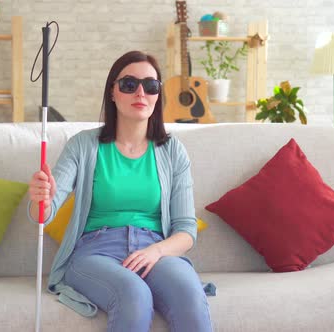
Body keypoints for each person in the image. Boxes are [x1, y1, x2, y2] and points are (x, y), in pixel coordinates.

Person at [27, 50, 214, 332]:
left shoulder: (173, 151)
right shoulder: (83, 145)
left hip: (155, 251)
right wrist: (42, 198)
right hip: (95, 254)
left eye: (150, 86)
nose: (141, 92)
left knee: (189, 295)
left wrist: (156, 251)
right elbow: (43, 215)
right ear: (112, 93)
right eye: (129, 84)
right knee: (134, 294)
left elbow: (186, 230)